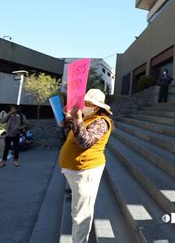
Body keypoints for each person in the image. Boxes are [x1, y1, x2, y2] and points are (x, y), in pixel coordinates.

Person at [59, 89, 112, 243]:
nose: (85, 106)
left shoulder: (101, 121)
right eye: (84, 102)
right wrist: (69, 117)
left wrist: (77, 119)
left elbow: (85, 142)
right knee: (78, 210)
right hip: (76, 170)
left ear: (98, 107)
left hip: (86, 171)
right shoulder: (87, 117)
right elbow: (70, 134)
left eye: (89, 103)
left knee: (82, 214)